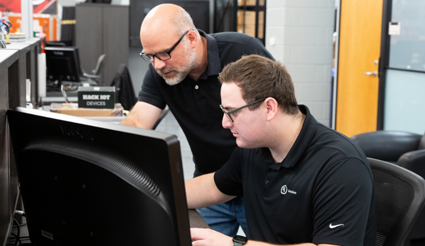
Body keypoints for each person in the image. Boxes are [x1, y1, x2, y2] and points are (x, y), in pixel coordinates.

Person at [186, 54, 377, 246]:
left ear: (269, 107)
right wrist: (163, 193)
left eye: (232, 112)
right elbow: (215, 186)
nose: (225, 123)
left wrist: (234, 244)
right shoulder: (255, 146)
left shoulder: (341, 165)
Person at [120, 4, 274, 236]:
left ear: (191, 38)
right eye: (149, 56)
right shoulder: (161, 71)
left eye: (163, 53)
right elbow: (138, 123)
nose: (157, 65)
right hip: (209, 188)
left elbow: (278, 114)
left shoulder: (243, 51)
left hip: (259, 186)